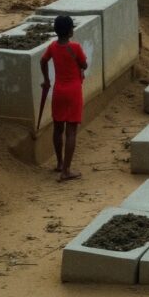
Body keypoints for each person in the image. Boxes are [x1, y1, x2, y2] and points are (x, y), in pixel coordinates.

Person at [37, 14, 90, 181]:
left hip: (58, 91)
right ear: (69, 31)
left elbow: (43, 61)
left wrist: (46, 79)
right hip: (73, 91)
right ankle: (66, 170)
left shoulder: (53, 46)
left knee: (58, 128)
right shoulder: (75, 47)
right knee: (71, 131)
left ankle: (60, 163)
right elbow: (84, 64)